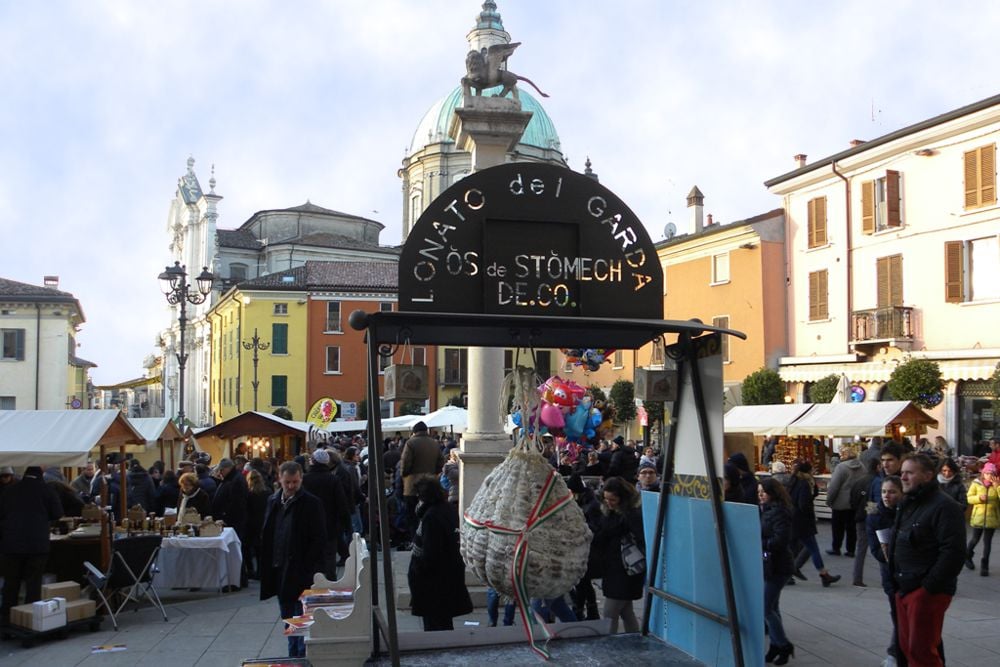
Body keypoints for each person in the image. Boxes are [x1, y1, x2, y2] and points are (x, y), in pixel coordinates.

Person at [889, 453, 966, 666]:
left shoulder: (944, 506)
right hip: (904, 586)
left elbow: (954, 551)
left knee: (921, 650)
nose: (903, 477)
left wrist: (928, 588)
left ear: (927, 475)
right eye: (902, 472)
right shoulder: (908, 502)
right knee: (908, 648)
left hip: (924, 590)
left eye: (909, 473)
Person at [260, 461, 327, 657]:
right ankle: (294, 655)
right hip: (280, 568)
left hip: (301, 570)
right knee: (288, 616)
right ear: (279, 479)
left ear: (301, 479)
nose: (291, 486)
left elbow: (319, 538)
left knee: (300, 617)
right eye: (287, 482)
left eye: (295, 482)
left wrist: (309, 565)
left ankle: (298, 657)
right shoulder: (273, 501)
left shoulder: (311, 503)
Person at [407, 478, 472, 631]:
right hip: (446, 577)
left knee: (435, 626)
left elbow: (431, 553)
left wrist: (418, 569)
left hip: (434, 583)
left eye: (419, 496)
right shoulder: (447, 509)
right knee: (443, 622)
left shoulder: (431, 517)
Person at [0, 466, 63, 625]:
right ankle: (29, 622)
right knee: (33, 584)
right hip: (37, 545)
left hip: (11, 544)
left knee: (11, 583)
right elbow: (57, 513)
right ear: (41, 475)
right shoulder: (46, 490)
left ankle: (7, 620)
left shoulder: (10, 490)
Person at [593, 476, 644, 633]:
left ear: (623, 498)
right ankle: (635, 641)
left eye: (612, 499)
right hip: (614, 569)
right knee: (626, 611)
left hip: (625, 571)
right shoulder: (611, 512)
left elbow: (641, 539)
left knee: (610, 612)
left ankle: (611, 645)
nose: (608, 502)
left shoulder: (631, 515)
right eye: (606, 499)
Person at [867, 475, 905, 667]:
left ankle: (896, 653)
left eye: (891, 491)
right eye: (883, 491)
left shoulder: (907, 512)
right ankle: (895, 653)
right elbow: (876, 550)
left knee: (905, 617)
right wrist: (889, 556)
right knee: (898, 615)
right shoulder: (875, 515)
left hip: (910, 574)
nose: (886, 495)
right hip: (890, 574)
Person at [759, 477, 796, 664]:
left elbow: (780, 540)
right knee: (773, 606)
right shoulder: (767, 510)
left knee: (765, 607)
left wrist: (761, 544)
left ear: (772, 494)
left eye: (763, 493)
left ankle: (784, 645)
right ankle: (775, 645)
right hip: (771, 565)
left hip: (779, 566)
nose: (760, 496)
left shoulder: (780, 512)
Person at [787, 461, 840, 587]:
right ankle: (823, 574)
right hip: (803, 522)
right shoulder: (804, 484)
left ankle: (789, 573)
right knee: (813, 548)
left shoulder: (793, 482)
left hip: (793, 520)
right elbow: (803, 504)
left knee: (793, 548)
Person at [302, 449, 349, 580]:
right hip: (330, 524)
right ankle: (330, 582)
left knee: (312, 556)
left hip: (309, 526)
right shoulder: (333, 480)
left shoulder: (304, 480)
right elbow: (341, 503)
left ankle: (314, 581)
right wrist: (345, 523)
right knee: (329, 556)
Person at [400, 421, 444, 549]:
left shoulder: (411, 443)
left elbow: (405, 463)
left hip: (412, 485)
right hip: (431, 484)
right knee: (428, 515)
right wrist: (433, 473)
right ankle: (428, 541)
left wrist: (404, 475)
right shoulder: (434, 443)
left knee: (412, 516)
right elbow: (441, 462)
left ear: (414, 431)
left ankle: (415, 541)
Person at [567, 473, 602, 621]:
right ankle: (587, 610)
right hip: (581, 548)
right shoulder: (580, 501)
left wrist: (578, 529)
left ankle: (582, 610)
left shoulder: (591, 504)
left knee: (582, 582)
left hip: (589, 550)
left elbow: (595, 527)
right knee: (582, 583)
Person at [212, 458, 249, 587]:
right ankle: (236, 579)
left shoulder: (236, 480)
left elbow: (236, 503)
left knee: (235, 550)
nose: (220, 472)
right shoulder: (232, 479)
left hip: (234, 521)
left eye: (222, 470)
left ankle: (237, 579)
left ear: (227, 468)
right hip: (231, 520)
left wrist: (225, 517)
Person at [825, 444, 866, 557]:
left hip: (840, 502)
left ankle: (836, 547)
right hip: (855, 502)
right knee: (851, 527)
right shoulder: (862, 466)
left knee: (837, 527)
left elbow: (834, 486)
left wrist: (829, 500)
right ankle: (851, 550)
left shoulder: (841, 467)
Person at [965, 462, 998, 576]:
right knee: (974, 539)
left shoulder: (997, 485)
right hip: (978, 518)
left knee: (987, 543)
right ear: (983, 473)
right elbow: (969, 498)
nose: (989, 475)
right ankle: (967, 555)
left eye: (992, 473)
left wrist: (997, 487)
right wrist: (978, 498)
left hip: (991, 518)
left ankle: (985, 566)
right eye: (987, 473)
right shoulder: (976, 484)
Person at [244, 469, 271, 580]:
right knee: (262, 549)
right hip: (264, 521)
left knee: (249, 548)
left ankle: (251, 570)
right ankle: (261, 571)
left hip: (251, 523)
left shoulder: (248, 493)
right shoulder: (267, 492)